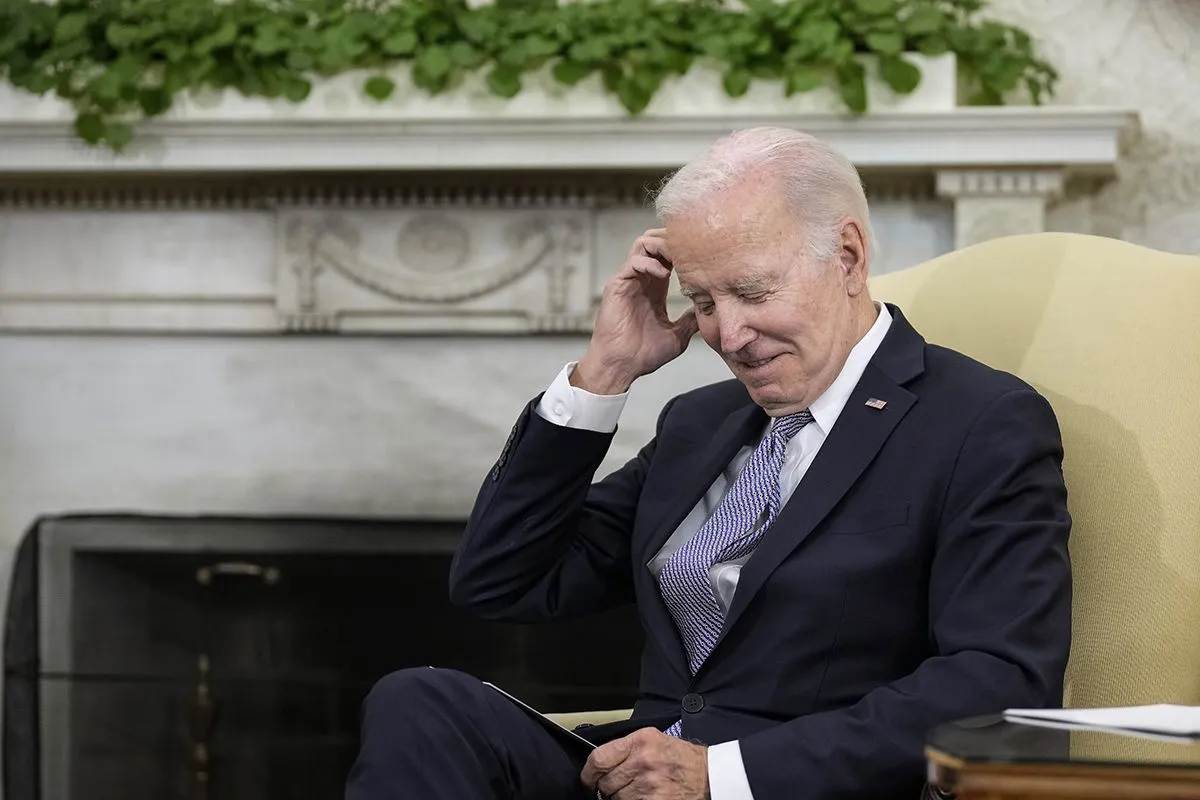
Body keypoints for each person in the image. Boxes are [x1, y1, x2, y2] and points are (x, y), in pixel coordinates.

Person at [345, 127, 1072, 800]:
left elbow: (998, 681)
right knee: (422, 701)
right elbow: (502, 580)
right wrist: (603, 376)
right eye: (703, 301)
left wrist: (721, 775)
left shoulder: (978, 420)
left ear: (847, 256)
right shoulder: (703, 421)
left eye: (752, 292)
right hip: (636, 779)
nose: (730, 333)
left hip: (794, 785)